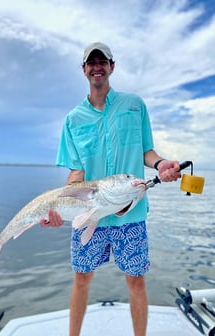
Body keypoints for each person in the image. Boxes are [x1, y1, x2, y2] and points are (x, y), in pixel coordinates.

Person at [40, 42, 181, 336]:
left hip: (130, 213)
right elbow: (76, 171)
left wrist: (161, 165)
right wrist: (56, 207)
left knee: (136, 281)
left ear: (111, 66)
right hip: (88, 212)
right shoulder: (73, 119)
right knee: (81, 279)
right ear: (84, 70)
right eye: (91, 62)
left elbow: (147, 151)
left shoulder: (134, 105)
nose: (97, 67)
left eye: (102, 61)